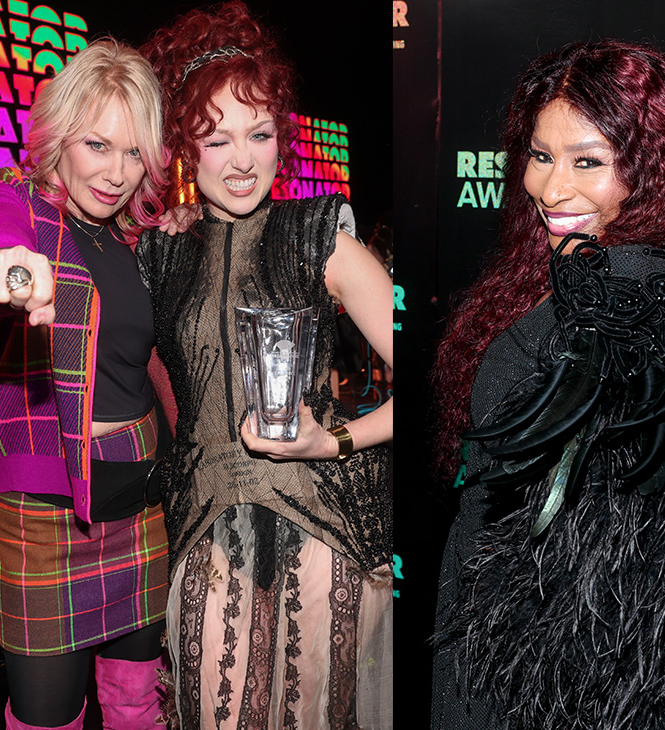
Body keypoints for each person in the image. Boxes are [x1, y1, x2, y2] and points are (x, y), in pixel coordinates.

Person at [429, 39, 665, 729]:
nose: (551, 189)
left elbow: (594, 603)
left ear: (653, 171)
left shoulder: (618, 308)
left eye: (588, 162)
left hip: (527, 689)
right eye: (541, 157)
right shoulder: (650, 286)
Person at [135, 3, 394, 728]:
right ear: (186, 147)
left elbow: (436, 375)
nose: (244, 159)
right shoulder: (160, 254)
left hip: (317, 523)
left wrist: (334, 438)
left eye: (260, 133)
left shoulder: (320, 236)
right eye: (217, 139)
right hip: (204, 530)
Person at [0, 40, 171, 730]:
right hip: (44, 510)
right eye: (97, 144)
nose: (115, 172)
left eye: (133, 151)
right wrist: (2, 261)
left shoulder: (135, 241)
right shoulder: (18, 205)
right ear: (60, 139)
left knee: (139, 702)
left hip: (140, 502)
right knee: (45, 718)